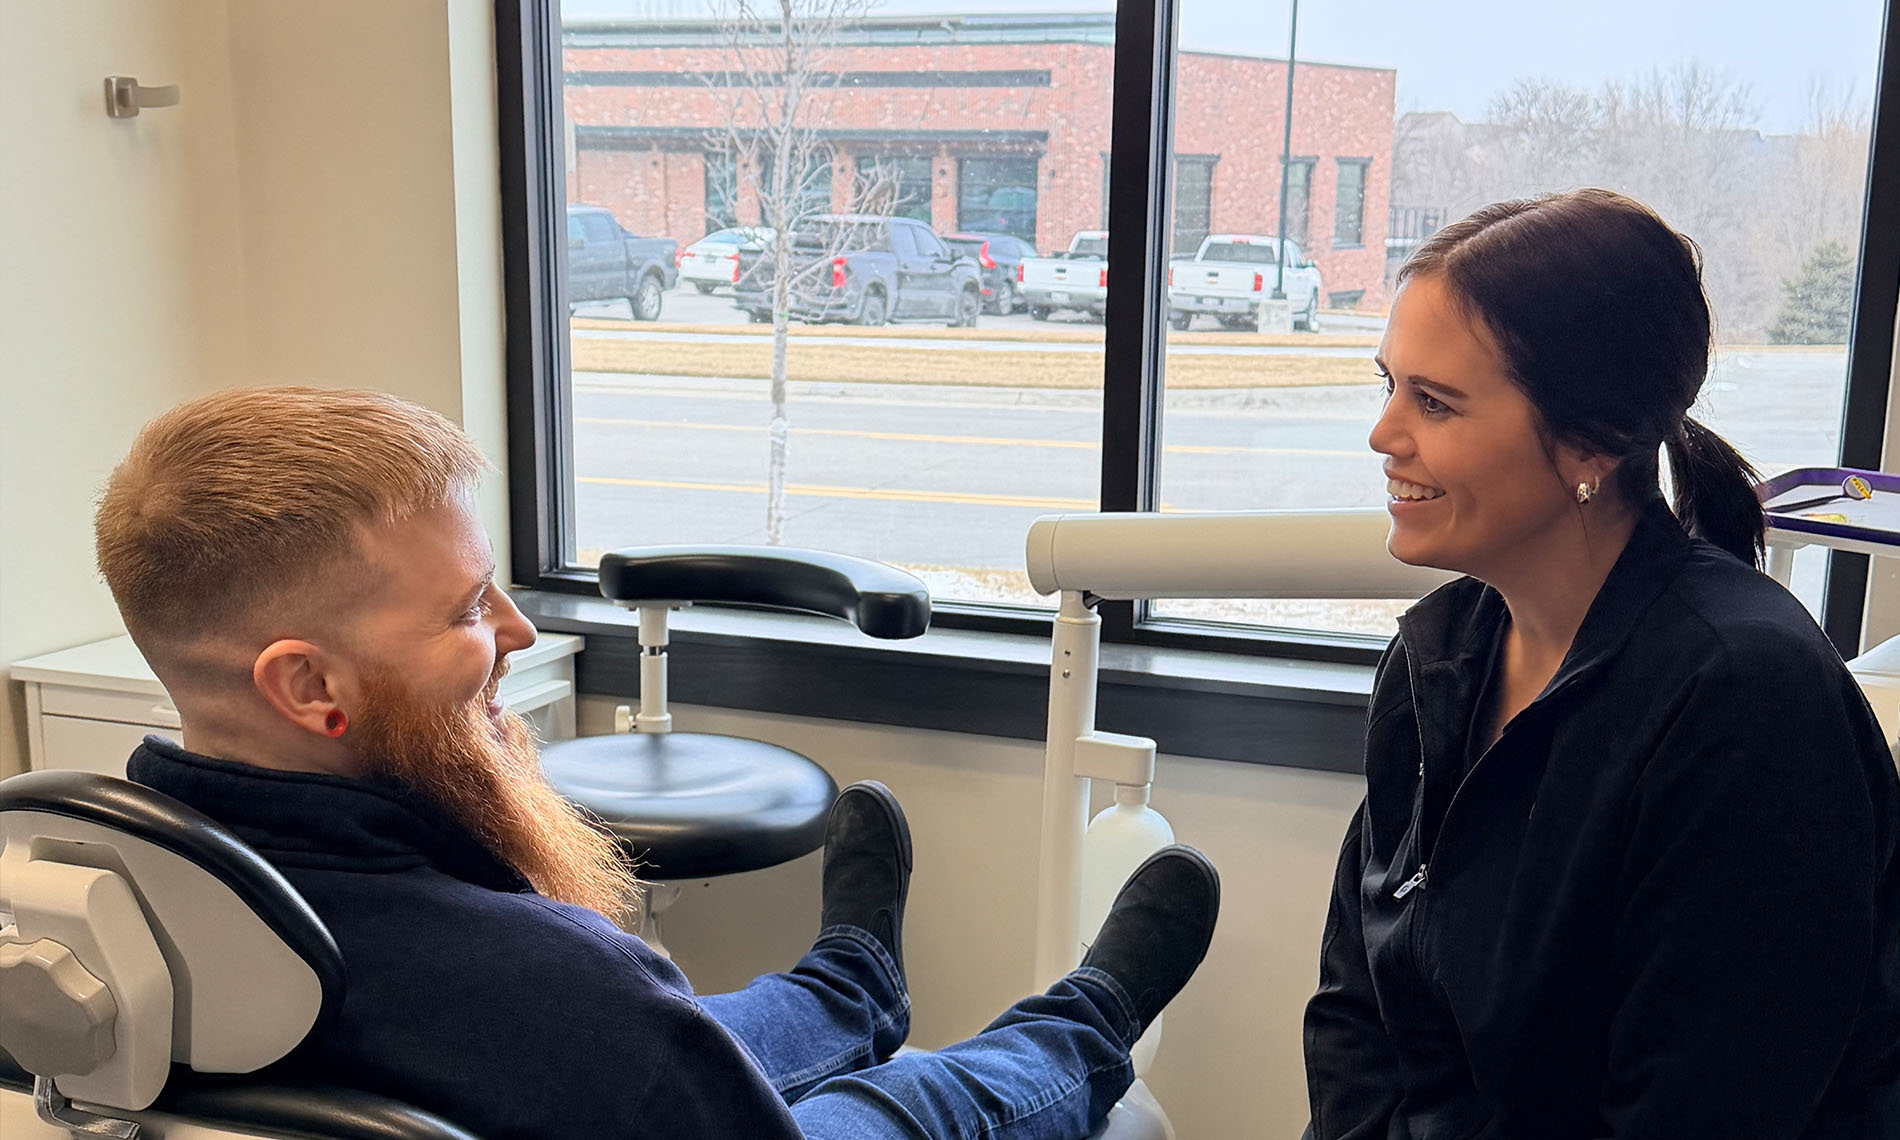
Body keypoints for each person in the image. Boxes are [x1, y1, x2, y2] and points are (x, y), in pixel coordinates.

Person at [92, 385, 1222, 1140]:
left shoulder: (102, 902)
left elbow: (622, 1049)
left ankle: (849, 983)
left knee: (702, 1028)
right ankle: (1084, 1018)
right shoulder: (541, 980)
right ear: (309, 687)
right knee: (915, 1095)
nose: (518, 635)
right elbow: (617, 1044)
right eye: (464, 611)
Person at [1299, 188, 1900, 1139]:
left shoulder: (1744, 703)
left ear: (1593, 441)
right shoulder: (1440, 657)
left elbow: (1704, 1109)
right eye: (1389, 385)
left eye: (1436, 402)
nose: (1385, 435)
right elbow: (1361, 1015)